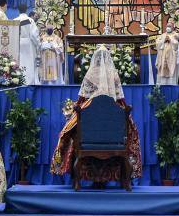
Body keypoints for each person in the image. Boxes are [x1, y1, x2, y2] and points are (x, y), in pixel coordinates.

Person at [51, 45, 142, 187]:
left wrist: (74, 109)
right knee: (131, 130)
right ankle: (124, 177)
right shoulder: (114, 75)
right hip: (113, 113)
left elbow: (81, 99)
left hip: (89, 112)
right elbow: (121, 100)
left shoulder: (90, 74)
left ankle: (71, 172)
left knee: (67, 132)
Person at [14, 4, 40, 85]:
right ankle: (29, 82)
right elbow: (34, 35)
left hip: (18, 43)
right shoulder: (30, 20)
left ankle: (20, 80)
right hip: (29, 43)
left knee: (20, 62)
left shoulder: (15, 20)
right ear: (26, 10)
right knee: (29, 62)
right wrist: (38, 44)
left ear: (19, 10)